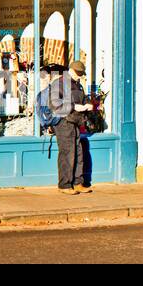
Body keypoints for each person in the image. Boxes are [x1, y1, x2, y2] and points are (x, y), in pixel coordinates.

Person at [37, 60, 94, 194]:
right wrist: (75, 107)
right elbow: (55, 105)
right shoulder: (60, 83)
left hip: (75, 121)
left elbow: (83, 98)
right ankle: (64, 185)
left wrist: (88, 104)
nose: (79, 76)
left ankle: (78, 182)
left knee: (78, 151)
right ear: (71, 70)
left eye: (81, 74)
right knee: (67, 153)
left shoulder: (77, 85)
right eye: (77, 73)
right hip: (63, 121)